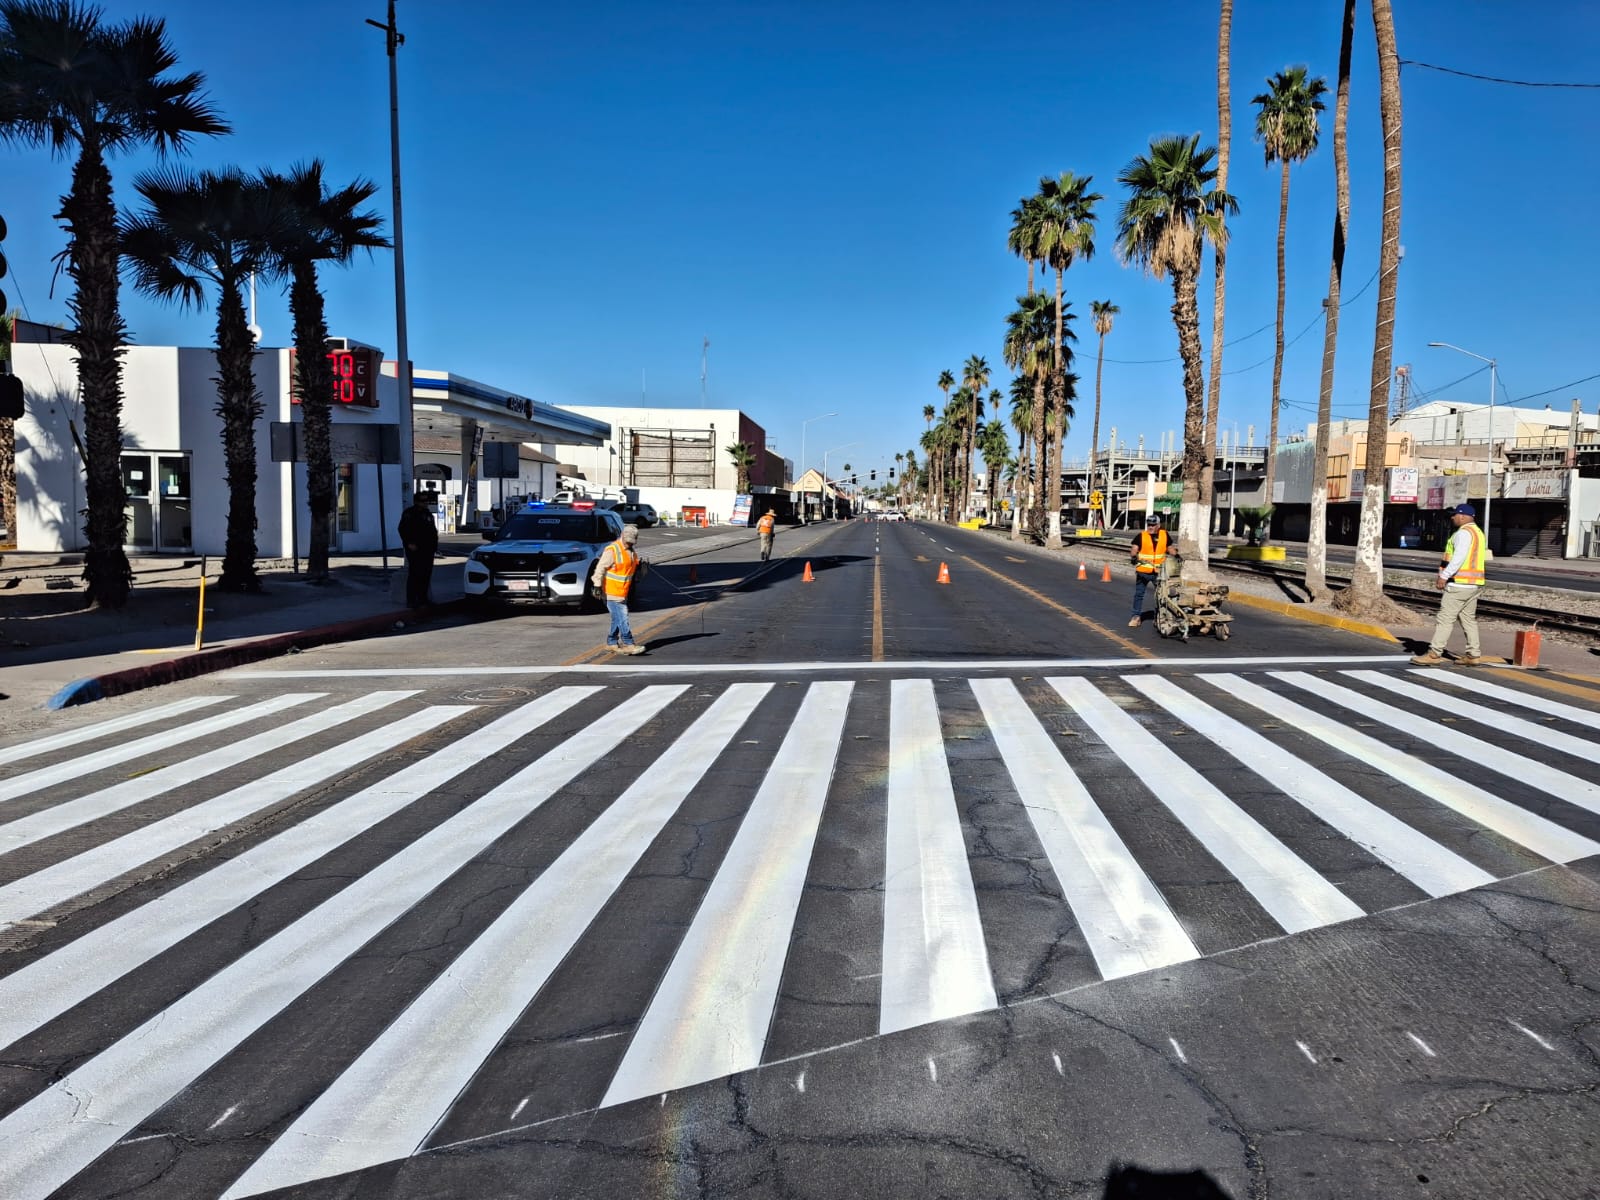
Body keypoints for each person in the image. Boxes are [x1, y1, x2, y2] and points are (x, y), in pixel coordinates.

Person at [1412, 503, 1488, 666]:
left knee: (1445, 619)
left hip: (1459, 584)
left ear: (1462, 516)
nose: (1452, 518)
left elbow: (1458, 558)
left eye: (1454, 515)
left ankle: (1434, 654)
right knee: (1468, 620)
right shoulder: (1478, 533)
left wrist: (1444, 576)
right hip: (1474, 585)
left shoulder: (1463, 533)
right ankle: (1473, 655)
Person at [591, 523, 647, 654]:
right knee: (622, 617)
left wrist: (640, 568)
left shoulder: (632, 552)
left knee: (617, 618)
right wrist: (597, 585)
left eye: (632, 542)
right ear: (622, 536)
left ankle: (611, 642)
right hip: (611, 591)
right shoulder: (612, 550)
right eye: (627, 541)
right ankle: (628, 643)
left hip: (623, 591)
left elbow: (629, 570)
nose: (629, 544)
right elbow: (600, 568)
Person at [397, 491, 439, 610]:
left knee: (426, 575)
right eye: (423, 501)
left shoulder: (428, 514)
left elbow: (432, 532)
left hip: (428, 550)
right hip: (415, 549)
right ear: (416, 502)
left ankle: (423, 599)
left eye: (427, 501)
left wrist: (434, 547)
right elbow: (402, 529)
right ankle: (411, 600)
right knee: (415, 574)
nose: (426, 503)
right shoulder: (409, 514)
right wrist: (409, 543)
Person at [1127, 514, 1169, 628]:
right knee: (1139, 594)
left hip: (1159, 572)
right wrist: (1133, 556)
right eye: (1149, 525)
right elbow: (1134, 548)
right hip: (1143, 572)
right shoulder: (1141, 536)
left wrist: (1177, 555)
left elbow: (1169, 547)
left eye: (1153, 525)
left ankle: (1159, 617)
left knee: (1161, 595)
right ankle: (1136, 617)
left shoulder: (1164, 535)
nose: (1150, 527)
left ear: (1158, 525)